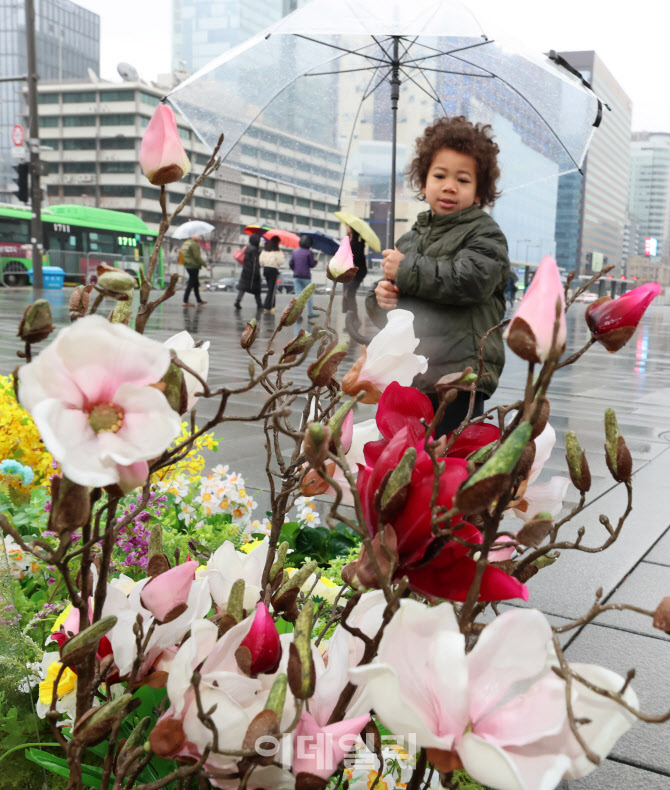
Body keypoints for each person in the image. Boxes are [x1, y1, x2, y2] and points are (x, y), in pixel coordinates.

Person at [365, 115, 510, 438]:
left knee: (447, 466)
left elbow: (470, 281)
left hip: (459, 377)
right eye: (440, 175)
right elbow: (389, 313)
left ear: (478, 193)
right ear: (424, 181)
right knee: (402, 463)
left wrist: (406, 270)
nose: (449, 186)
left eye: (462, 179)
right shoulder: (410, 239)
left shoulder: (485, 233)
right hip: (411, 374)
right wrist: (381, 300)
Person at [342, 225, 367, 322]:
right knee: (346, 295)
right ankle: (351, 319)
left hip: (358, 271)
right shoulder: (348, 240)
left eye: (347, 226)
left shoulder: (358, 242)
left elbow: (356, 257)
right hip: (348, 271)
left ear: (352, 229)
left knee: (349, 294)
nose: (346, 228)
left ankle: (355, 320)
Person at [289, 234, 317, 321]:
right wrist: (316, 261)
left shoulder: (295, 252)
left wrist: (295, 270)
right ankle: (310, 313)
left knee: (298, 294)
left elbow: (291, 263)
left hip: (296, 276)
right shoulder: (309, 252)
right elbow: (311, 264)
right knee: (309, 295)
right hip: (306, 277)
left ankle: (296, 313)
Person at [235, 232, 263, 310]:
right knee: (257, 290)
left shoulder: (247, 248)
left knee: (243, 288)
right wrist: (257, 273)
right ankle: (259, 304)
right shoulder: (254, 250)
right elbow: (255, 262)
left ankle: (237, 301)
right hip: (253, 272)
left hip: (245, 271)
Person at [181, 235, 209, 307]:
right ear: (192, 235)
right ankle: (185, 301)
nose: (199, 235)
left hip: (188, 265)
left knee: (196, 284)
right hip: (193, 266)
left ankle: (199, 300)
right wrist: (206, 265)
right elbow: (197, 257)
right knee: (191, 283)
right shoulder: (193, 244)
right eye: (197, 234)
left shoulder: (186, 243)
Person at [260, 235, 284, 313]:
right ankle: (267, 307)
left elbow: (260, 261)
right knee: (272, 289)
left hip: (266, 269)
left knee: (272, 288)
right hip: (273, 270)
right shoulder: (277, 251)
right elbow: (281, 262)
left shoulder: (265, 250)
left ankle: (273, 305)